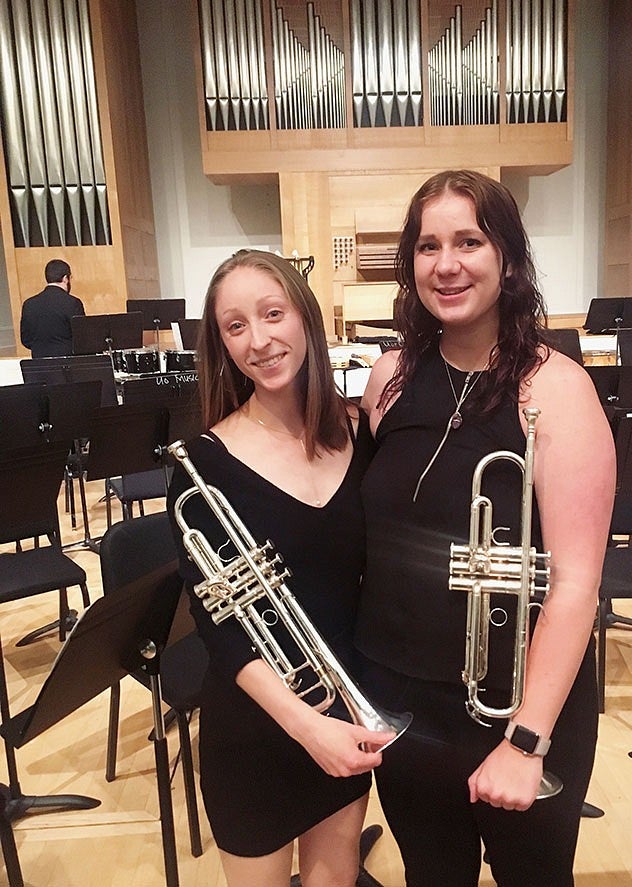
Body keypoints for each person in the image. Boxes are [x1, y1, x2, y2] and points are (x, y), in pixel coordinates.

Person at [354, 170, 616, 887]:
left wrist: (526, 741)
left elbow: (575, 584)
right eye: (428, 245)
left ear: (507, 255)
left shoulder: (555, 388)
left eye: (469, 240)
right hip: (403, 705)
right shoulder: (389, 380)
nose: (447, 263)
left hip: (516, 705)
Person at [167, 249, 392, 887]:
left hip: (348, 712)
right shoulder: (200, 466)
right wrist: (306, 727)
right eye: (235, 326)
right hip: (258, 729)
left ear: (305, 318)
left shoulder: (358, 436)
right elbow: (220, 626)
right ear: (220, 343)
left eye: (273, 314)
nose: (259, 340)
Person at [20, 259, 85, 358]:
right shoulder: (73, 303)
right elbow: (81, 337)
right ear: (65, 279)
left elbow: (26, 340)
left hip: (40, 366)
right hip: (68, 364)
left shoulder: (29, 304)